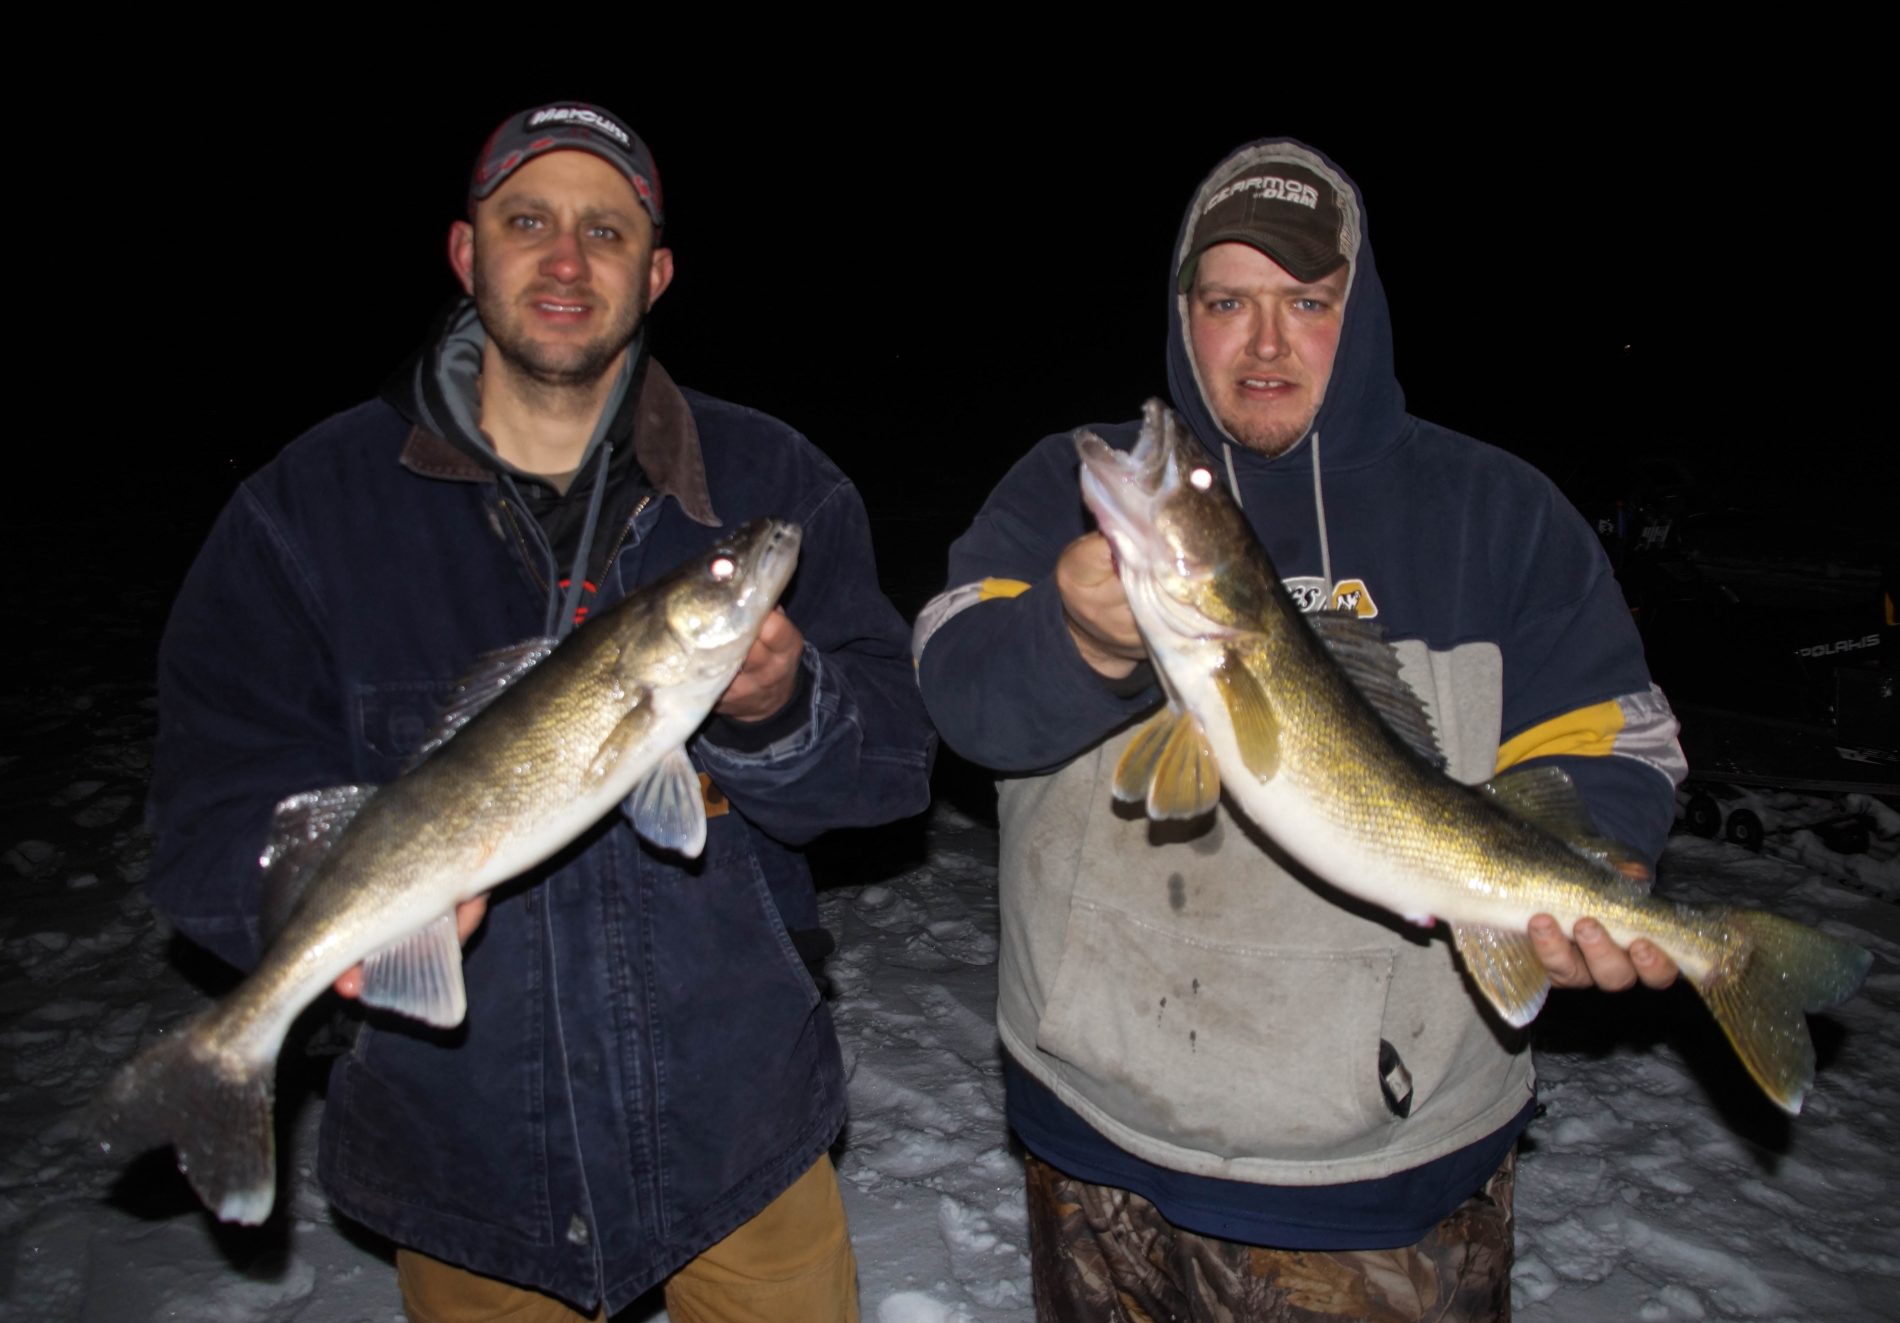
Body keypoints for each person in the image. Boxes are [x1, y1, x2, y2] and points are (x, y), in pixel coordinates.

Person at [144, 101, 934, 1322]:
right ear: (466, 252)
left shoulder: (777, 480)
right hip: (465, 1166)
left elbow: (891, 771)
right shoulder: (304, 513)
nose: (566, 262)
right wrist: (327, 924)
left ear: (655, 272)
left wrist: (783, 710)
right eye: (528, 222)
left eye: (606, 232)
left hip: (742, 1136)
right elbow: (210, 808)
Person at [913, 139, 1687, 1320]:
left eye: (1304, 303)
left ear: (1357, 313)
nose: (1263, 342)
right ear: (1184, 318)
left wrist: (1596, 864)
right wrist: (1088, 643)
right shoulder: (1052, 494)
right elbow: (959, 697)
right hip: (1095, 1135)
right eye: (1226, 302)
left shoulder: (1497, 511)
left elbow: (1616, 742)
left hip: (1378, 1177)